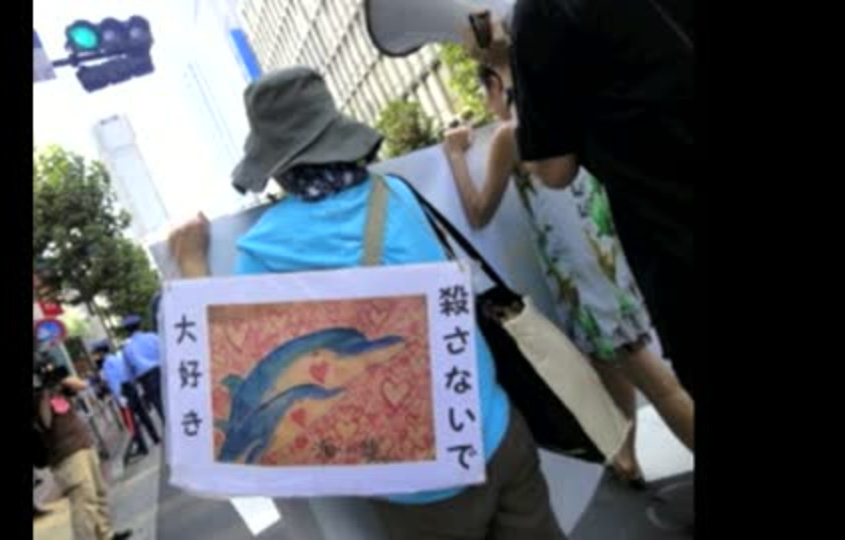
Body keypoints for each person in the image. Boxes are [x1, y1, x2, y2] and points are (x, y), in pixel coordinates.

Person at [168, 65, 564, 540]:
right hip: (499, 432)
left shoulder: (266, 248)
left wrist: (191, 261)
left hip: (422, 487)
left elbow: (226, 359)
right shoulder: (397, 193)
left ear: (277, 164)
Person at [441, 60, 694, 485]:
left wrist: (454, 156)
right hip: (605, 256)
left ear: (498, 85)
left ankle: (627, 455)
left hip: (583, 273)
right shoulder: (570, 107)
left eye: (486, 92)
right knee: (607, 361)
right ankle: (625, 456)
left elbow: (478, 211)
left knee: (655, 382)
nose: (486, 104)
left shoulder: (511, 135)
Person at [465, 0, 695, 397]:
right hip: (614, 251)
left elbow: (553, 171)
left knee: (647, 376)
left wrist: (506, 64)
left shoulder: (541, 14)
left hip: (663, 243)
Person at [32, 354, 131, 540]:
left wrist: (59, 379)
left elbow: (82, 385)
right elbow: (46, 421)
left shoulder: (61, 388)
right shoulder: (37, 397)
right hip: (67, 456)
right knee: (84, 502)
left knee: (99, 493)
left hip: (84, 445)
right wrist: (46, 392)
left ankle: (106, 534)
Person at [93, 341, 160, 463]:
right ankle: (155, 437)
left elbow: (113, 382)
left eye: (97, 353)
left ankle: (142, 447)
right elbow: (129, 373)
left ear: (101, 352)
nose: (96, 356)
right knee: (143, 415)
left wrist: (118, 396)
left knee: (130, 421)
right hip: (130, 387)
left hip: (122, 391)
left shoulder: (107, 364)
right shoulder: (118, 358)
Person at [120, 316, 165, 423]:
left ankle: (171, 428)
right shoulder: (153, 337)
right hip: (163, 372)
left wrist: (134, 384)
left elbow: (129, 373)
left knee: (160, 405)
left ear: (127, 331)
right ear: (140, 325)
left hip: (147, 380)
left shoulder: (127, 349)